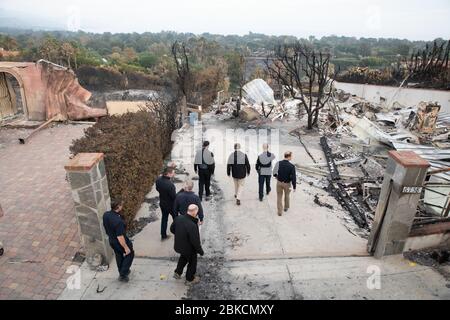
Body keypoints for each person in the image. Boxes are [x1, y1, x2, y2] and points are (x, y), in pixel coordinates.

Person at [170, 204, 204, 285]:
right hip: (189, 249)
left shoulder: (178, 218)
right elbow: (195, 241)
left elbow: (172, 229)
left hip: (179, 246)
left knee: (183, 258)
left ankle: (177, 273)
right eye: (197, 212)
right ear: (194, 212)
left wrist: (180, 235)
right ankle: (190, 279)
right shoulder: (192, 225)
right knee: (192, 262)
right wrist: (200, 251)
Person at [103, 198, 134, 282]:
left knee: (119, 255)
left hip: (111, 240)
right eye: (121, 205)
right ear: (118, 207)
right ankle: (123, 273)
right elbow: (120, 237)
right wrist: (126, 247)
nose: (122, 206)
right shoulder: (118, 222)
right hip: (119, 241)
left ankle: (122, 271)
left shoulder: (106, 214)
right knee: (130, 254)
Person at [155, 166, 177, 241]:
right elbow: (174, 197)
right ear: (168, 174)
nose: (174, 174)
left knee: (164, 219)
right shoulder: (170, 185)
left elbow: (157, 189)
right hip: (171, 205)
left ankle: (163, 235)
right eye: (173, 173)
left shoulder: (158, 180)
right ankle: (177, 233)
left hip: (162, 203)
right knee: (176, 219)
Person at [273, 151, 297, 216]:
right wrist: (294, 187)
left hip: (279, 183)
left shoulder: (278, 163)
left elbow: (274, 172)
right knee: (287, 195)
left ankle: (279, 212)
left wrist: (277, 177)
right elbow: (293, 178)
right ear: (289, 157)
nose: (291, 157)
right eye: (291, 156)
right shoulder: (292, 166)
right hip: (287, 184)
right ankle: (286, 207)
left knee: (279, 197)